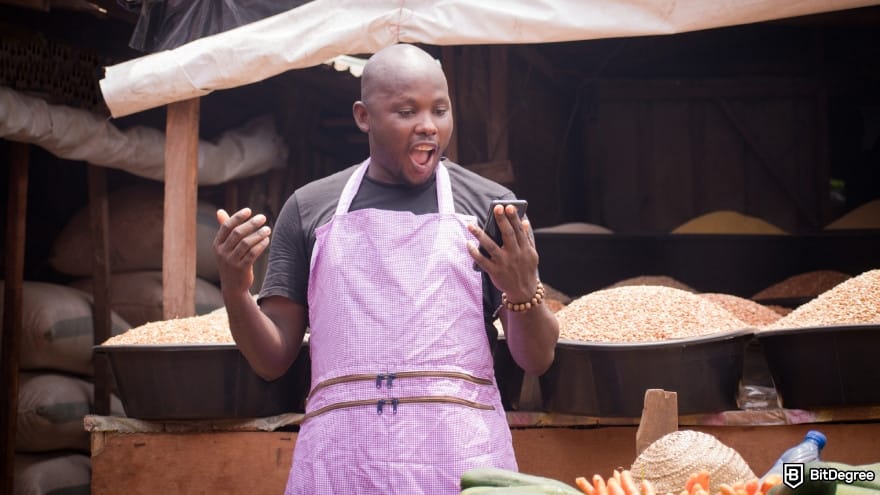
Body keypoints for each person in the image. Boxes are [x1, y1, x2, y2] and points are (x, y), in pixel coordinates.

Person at [213, 43, 559, 495]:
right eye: (406, 111)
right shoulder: (309, 209)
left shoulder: (490, 208)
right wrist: (235, 290)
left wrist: (523, 289)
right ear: (364, 117)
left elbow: (536, 358)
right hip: (341, 469)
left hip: (461, 467)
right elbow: (272, 359)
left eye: (440, 110)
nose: (428, 125)